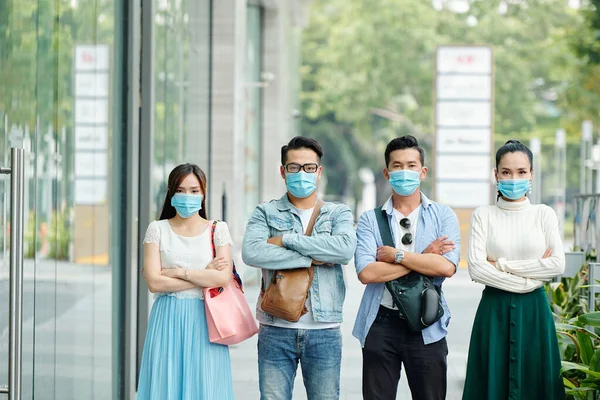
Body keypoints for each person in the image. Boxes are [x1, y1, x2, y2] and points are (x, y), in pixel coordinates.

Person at [242, 136, 356, 400]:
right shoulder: (265, 212)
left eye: (308, 167)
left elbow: (344, 250)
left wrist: (286, 240)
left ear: (319, 172)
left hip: (324, 330)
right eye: (294, 167)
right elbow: (253, 252)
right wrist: (314, 256)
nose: (301, 173)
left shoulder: (337, 213)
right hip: (275, 328)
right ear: (283, 171)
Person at [353, 135, 460, 400]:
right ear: (387, 172)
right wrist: (424, 257)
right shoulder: (370, 220)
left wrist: (397, 256)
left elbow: (446, 267)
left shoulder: (442, 215)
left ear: (422, 171)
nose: (404, 172)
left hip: (427, 324)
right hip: (380, 323)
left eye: (411, 165)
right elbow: (367, 273)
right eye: (397, 166)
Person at [463, 140, 566, 399]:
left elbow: (557, 265)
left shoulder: (544, 214)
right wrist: (531, 277)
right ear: (496, 174)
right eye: (506, 172)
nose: (513, 178)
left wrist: (500, 264)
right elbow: (476, 268)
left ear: (531, 174)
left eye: (521, 172)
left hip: (535, 314)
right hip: (493, 312)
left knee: (537, 383)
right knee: (490, 384)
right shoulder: (483, 215)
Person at [137, 163, 235, 400]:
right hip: (167, 319)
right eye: (180, 190)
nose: (187, 196)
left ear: (203, 194)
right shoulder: (157, 229)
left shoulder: (217, 229)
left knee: (206, 387)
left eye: (194, 190)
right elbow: (154, 283)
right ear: (171, 193)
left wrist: (178, 272)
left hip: (206, 320)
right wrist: (204, 276)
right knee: (165, 384)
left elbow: (223, 277)